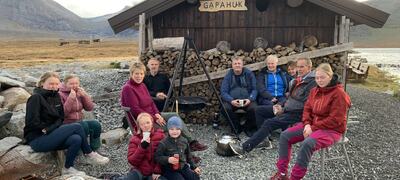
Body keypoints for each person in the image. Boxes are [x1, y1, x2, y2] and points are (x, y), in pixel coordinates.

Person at [270, 63, 351, 180]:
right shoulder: (314, 91)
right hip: (312, 125)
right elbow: (307, 109)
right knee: (285, 135)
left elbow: (335, 120)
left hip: (332, 130)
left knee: (307, 143)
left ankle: (295, 177)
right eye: (317, 78)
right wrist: (307, 124)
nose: (319, 80)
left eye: (322, 77)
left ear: (330, 76)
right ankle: (282, 174)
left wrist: (312, 127)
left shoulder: (339, 94)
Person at [23, 72, 109, 176]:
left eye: (56, 84)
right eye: (51, 83)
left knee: (76, 138)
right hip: (38, 139)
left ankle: (68, 168)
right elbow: (32, 123)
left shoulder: (55, 97)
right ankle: (89, 153)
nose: (54, 86)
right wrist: (49, 129)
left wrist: (51, 128)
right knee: (77, 126)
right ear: (42, 83)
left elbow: (60, 118)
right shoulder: (36, 98)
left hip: (50, 133)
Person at [232, 57, 317, 153]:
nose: (299, 69)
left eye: (302, 67)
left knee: (269, 123)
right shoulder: (298, 79)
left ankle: (244, 148)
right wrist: (281, 106)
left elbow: (305, 104)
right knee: (259, 110)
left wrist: (284, 109)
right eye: (298, 67)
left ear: (309, 67)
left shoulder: (312, 83)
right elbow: (290, 98)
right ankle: (264, 140)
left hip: (298, 114)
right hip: (287, 108)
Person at [120, 62, 207, 153]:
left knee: (174, 116)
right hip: (142, 121)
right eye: (136, 74)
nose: (139, 76)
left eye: (141, 74)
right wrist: (154, 118)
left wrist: (157, 114)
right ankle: (182, 152)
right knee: (169, 126)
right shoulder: (128, 88)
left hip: (152, 115)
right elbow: (135, 110)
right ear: (131, 74)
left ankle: (192, 142)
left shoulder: (142, 85)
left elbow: (151, 102)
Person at [59, 74, 102, 151]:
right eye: (71, 84)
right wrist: (71, 98)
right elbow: (63, 113)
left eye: (76, 83)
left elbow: (89, 108)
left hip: (79, 121)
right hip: (66, 124)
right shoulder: (60, 94)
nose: (74, 85)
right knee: (83, 125)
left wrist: (84, 96)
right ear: (65, 84)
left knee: (96, 125)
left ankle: (94, 149)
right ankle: (81, 149)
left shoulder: (79, 92)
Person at [220, 57, 258, 136]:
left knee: (254, 109)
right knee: (225, 109)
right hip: (233, 101)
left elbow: (255, 89)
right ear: (232, 65)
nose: (237, 65)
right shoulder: (228, 76)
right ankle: (236, 127)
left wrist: (250, 99)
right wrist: (231, 100)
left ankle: (248, 127)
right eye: (235, 64)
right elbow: (223, 92)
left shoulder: (249, 74)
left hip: (247, 100)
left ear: (242, 65)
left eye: (239, 63)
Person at [255, 55, 290, 131]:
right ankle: (265, 130)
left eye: (272, 63)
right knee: (271, 106)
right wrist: (270, 97)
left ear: (276, 63)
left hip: (281, 96)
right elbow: (260, 88)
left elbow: (290, 82)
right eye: (268, 64)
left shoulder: (282, 73)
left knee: (286, 106)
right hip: (266, 97)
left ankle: (285, 131)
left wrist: (288, 91)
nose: (270, 65)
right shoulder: (262, 74)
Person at [126, 112, 166, 180]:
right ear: (139, 126)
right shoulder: (135, 139)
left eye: (148, 122)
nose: (146, 126)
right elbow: (132, 161)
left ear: (152, 123)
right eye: (142, 124)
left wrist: (157, 170)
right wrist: (142, 147)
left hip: (154, 173)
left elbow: (164, 156)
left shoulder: (161, 136)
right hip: (139, 171)